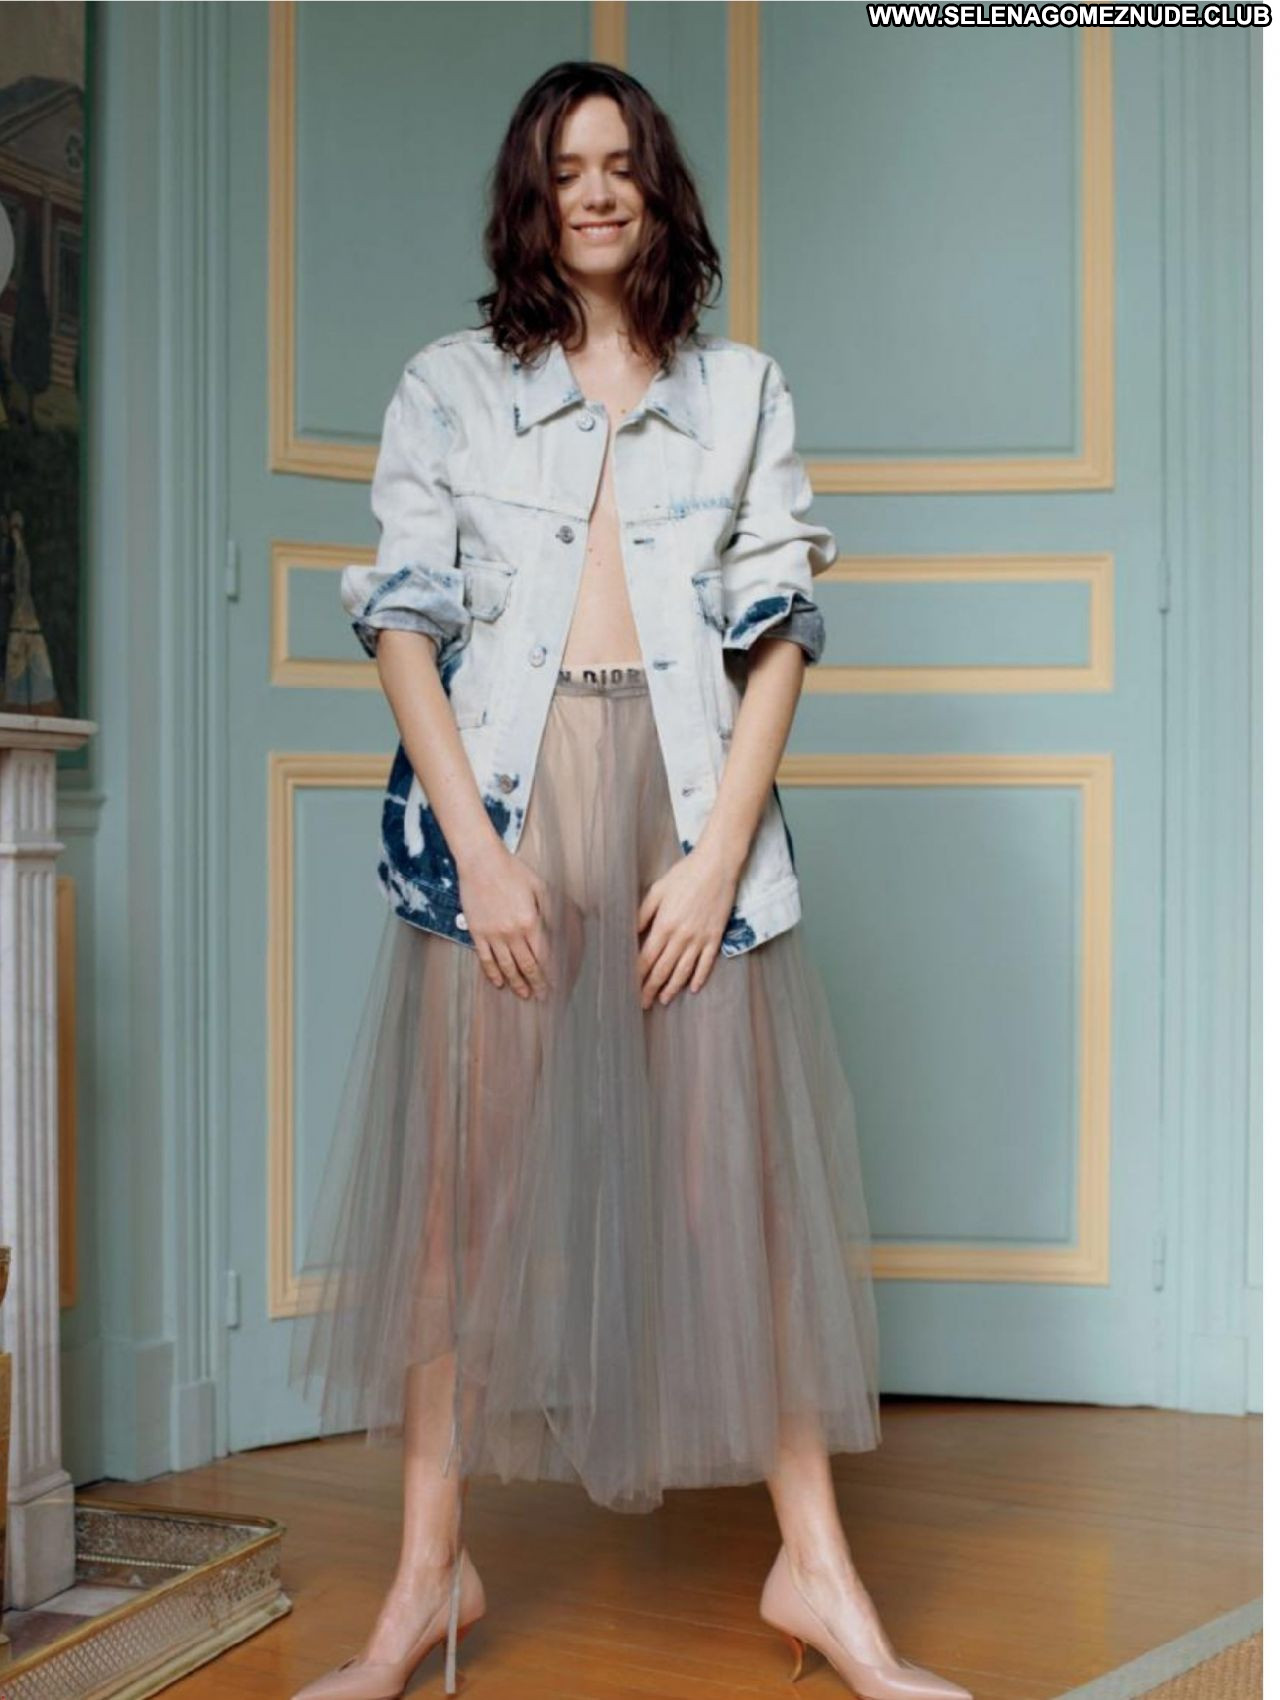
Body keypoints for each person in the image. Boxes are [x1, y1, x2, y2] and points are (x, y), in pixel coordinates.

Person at [287, 60, 972, 1700]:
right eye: (565, 168)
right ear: (530, 199)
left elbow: (779, 630)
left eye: (620, 165)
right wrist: (479, 858)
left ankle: (818, 1575)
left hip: (685, 816)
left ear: (657, 190)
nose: (594, 191)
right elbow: (402, 623)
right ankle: (425, 1580)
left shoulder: (739, 394)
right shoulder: (451, 386)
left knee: (742, 1203)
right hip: (507, 819)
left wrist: (719, 852)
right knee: (457, 1215)